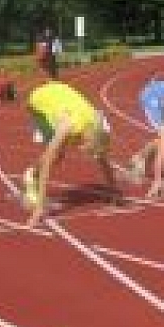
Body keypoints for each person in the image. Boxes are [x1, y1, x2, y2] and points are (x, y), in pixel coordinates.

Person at [23, 82, 122, 227]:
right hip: (39, 102)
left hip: (62, 95)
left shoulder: (98, 126)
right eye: (86, 148)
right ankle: (31, 175)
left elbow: (102, 158)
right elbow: (47, 165)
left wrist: (114, 191)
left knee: (89, 153)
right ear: (87, 138)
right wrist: (38, 210)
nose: (83, 151)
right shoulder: (68, 126)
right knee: (57, 155)